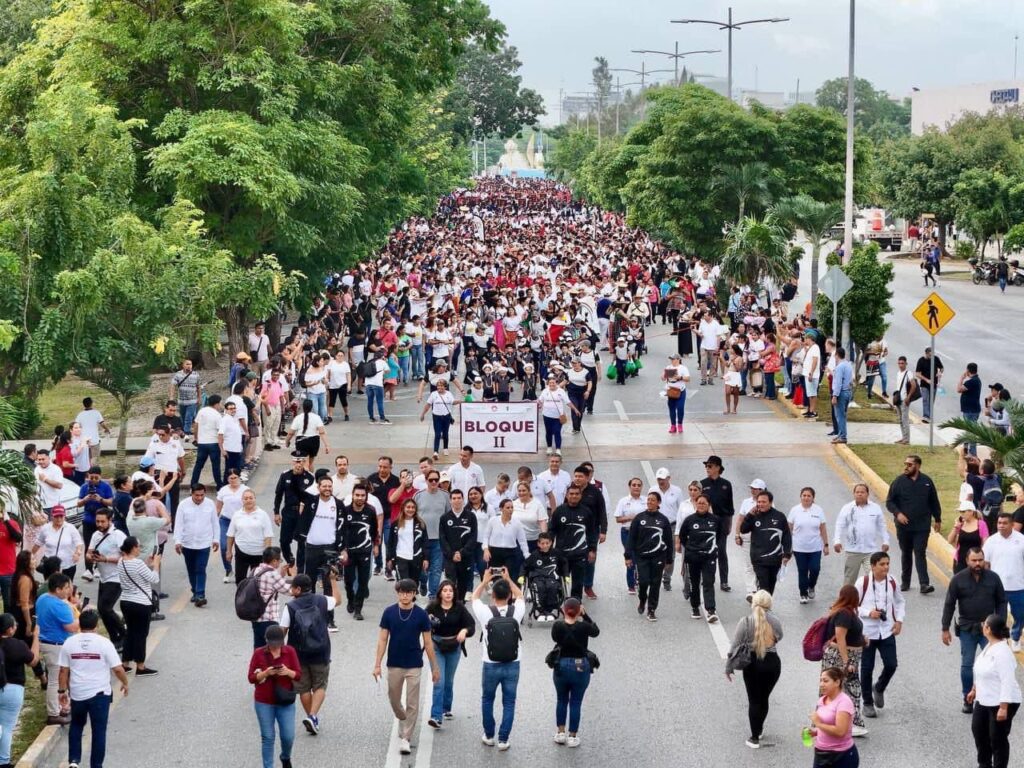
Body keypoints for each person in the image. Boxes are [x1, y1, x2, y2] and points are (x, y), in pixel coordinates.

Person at [372, 579, 440, 755]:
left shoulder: (421, 615)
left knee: (412, 702)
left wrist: (434, 667)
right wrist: (377, 664)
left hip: (414, 664)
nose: (404, 596)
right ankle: (402, 717)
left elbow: (428, 642)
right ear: (397, 593)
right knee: (394, 698)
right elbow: (382, 639)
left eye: (408, 592)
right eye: (401, 592)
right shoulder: (389, 612)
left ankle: (406, 738)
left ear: (414, 594)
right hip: (394, 663)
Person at [58, 609, 129, 768]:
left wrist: (62, 691)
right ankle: (96, 765)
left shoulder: (69, 643)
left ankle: (74, 761)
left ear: (80, 625)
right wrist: (125, 682)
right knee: (98, 731)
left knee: (76, 725)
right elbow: (117, 669)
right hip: (100, 695)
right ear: (96, 625)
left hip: (77, 694)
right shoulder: (104, 643)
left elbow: (63, 670)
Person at [943, 547, 1009, 714]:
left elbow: (1001, 601)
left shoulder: (994, 578)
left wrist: (999, 625)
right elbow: (949, 604)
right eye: (974, 560)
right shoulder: (958, 579)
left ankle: (995, 698)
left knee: (995, 664)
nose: (978, 563)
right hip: (967, 629)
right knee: (967, 665)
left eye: (980, 559)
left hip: (990, 630)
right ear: (967, 561)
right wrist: (945, 628)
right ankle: (967, 698)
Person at [281, 571, 343, 736]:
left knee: (304, 689)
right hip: (321, 651)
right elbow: (339, 600)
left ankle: (312, 718)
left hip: (298, 654)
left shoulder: (290, 607)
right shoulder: (322, 600)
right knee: (320, 685)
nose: (290, 590)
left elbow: (282, 632)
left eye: (292, 587)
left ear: (298, 589)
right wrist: (333, 581)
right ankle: (312, 716)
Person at [471, 568, 526, 751]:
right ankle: (503, 739)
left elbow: (474, 598)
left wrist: (485, 581)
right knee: (509, 701)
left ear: (493, 595)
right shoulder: (516, 610)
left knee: (487, 699)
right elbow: (521, 596)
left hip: (491, 663)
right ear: (509, 594)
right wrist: (508, 578)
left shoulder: (485, 612)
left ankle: (489, 735)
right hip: (513, 662)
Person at [725, 590, 783, 749]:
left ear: (753, 603)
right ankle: (760, 727)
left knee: (754, 699)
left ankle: (754, 736)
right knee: (764, 698)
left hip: (752, 664)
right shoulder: (775, 621)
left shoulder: (745, 621)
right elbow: (780, 636)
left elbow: (734, 646)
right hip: (772, 663)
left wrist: (728, 667)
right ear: (769, 604)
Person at [854, 551, 905, 719]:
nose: (886, 567)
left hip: (887, 630)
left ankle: (880, 687)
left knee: (892, 664)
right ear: (873, 565)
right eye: (882, 564)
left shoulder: (892, 581)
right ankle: (867, 703)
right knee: (867, 668)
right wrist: (869, 612)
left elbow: (899, 601)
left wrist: (899, 621)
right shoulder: (863, 582)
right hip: (867, 632)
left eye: (888, 564)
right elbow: (853, 606)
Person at [967, 614, 1022, 768]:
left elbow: (1007, 681)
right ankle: (984, 764)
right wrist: (974, 689)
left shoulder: (1003, 653)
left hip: (1001, 701)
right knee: (978, 731)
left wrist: (1003, 707)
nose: (982, 625)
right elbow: (981, 669)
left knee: (997, 738)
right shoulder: (990, 645)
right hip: (984, 698)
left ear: (989, 629)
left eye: (985, 623)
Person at [886, 454, 942, 593]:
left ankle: (924, 584)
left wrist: (938, 518)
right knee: (906, 552)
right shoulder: (898, 482)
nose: (906, 467)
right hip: (904, 527)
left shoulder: (927, 481)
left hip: (922, 525)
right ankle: (905, 582)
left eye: (910, 464)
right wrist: (898, 514)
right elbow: (890, 501)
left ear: (917, 466)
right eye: (905, 464)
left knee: (920, 552)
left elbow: (934, 501)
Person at [425, 579, 475, 728]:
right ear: (440, 593)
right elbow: (420, 622)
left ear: (454, 593)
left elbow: (471, 625)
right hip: (436, 645)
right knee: (438, 680)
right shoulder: (432, 607)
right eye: (445, 591)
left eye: (450, 591)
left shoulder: (459, 608)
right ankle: (436, 716)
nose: (448, 594)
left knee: (449, 680)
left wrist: (464, 631)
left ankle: (446, 707)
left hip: (454, 646)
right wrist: (427, 622)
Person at [248, 624, 300, 768]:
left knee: (288, 736)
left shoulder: (290, 651)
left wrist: (287, 672)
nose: (275, 647)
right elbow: (251, 678)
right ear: (266, 640)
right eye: (272, 644)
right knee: (268, 737)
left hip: (285, 701)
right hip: (264, 701)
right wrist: (265, 673)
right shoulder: (259, 653)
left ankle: (285, 756)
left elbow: (298, 675)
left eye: (278, 644)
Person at [550, 597, 599, 748]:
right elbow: (596, 631)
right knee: (576, 702)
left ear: (564, 610)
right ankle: (572, 735)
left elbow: (554, 638)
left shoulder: (557, 626)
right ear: (579, 611)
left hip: (562, 664)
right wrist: (585, 615)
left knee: (561, 699)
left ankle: (560, 732)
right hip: (580, 665)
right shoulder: (584, 627)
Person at [823, 584, 869, 736]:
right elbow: (841, 637)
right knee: (848, 689)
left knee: (841, 689)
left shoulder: (847, 612)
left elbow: (849, 635)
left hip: (847, 657)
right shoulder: (844, 613)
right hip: (841, 657)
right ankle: (851, 723)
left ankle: (831, 722)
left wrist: (862, 640)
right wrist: (846, 662)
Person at [626, 491, 674, 622]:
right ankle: (642, 600)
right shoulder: (639, 518)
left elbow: (669, 541)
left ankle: (651, 609)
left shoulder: (663, 520)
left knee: (655, 583)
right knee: (643, 582)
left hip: (658, 556)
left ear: (658, 503)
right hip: (642, 556)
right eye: (648, 500)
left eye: (653, 500)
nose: (649, 502)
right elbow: (631, 538)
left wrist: (669, 559)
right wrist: (628, 556)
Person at [117, 536, 160, 676]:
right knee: (141, 634)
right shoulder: (137, 563)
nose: (140, 549)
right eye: (138, 546)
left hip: (126, 602)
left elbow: (137, 575)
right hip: (141, 603)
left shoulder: (121, 562)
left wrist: (148, 564)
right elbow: (154, 578)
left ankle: (125, 663)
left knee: (130, 632)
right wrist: (157, 565)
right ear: (134, 547)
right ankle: (140, 666)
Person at [981, 513, 1024, 652]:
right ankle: (1001, 641)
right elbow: (985, 563)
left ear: (1012, 524)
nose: (1001, 525)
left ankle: (1016, 636)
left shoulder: (1021, 540)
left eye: (1005, 523)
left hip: (1018, 586)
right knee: (999, 618)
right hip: (997, 588)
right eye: (999, 523)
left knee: (1020, 615)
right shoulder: (991, 541)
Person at [548, 485, 598, 601]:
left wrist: (592, 550)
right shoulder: (559, 511)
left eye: (576, 494)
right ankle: (560, 604)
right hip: (562, 554)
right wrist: (548, 548)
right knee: (560, 581)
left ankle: (575, 606)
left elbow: (591, 532)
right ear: (567, 495)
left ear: (580, 496)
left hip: (580, 554)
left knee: (577, 583)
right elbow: (552, 530)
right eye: (571, 494)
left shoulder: (586, 512)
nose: (574, 496)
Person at [86, 510, 126, 651]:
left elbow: (126, 557)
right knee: (102, 611)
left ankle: (124, 635)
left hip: (116, 577)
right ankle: (115, 639)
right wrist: (90, 557)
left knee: (105, 608)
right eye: (97, 521)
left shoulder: (118, 536)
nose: (100, 524)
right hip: (103, 577)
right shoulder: (95, 535)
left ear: (110, 520)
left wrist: (106, 559)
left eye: (103, 521)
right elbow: (88, 553)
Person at [834, 484, 890, 585]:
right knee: (849, 580)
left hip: (870, 551)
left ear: (867, 494)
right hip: (852, 551)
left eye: (862, 492)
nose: (860, 494)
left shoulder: (875, 508)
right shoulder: (847, 508)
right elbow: (839, 525)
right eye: (857, 492)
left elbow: (882, 526)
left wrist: (886, 541)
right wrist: (837, 541)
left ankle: (874, 599)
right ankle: (847, 600)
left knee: (875, 576)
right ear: (854, 494)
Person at [174, 484, 219, 607]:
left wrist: (216, 539)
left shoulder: (210, 504)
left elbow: (215, 522)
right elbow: (178, 524)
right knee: (191, 569)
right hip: (187, 543)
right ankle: (195, 590)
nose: (199, 498)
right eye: (197, 495)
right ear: (191, 493)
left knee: (200, 568)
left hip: (204, 543)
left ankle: (200, 594)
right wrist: (177, 541)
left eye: (202, 495)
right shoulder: (183, 505)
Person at [740, 491, 793, 597]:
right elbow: (743, 529)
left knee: (770, 585)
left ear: (770, 502)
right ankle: (762, 610)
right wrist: (749, 515)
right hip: (758, 559)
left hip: (775, 558)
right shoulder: (754, 516)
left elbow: (786, 536)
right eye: (758, 502)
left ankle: (764, 607)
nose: (760, 504)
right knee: (763, 586)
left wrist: (787, 553)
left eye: (763, 502)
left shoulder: (779, 516)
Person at [678, 493, 718, 622]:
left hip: (709, 557)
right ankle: (695, 607)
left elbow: (720, 536)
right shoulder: (690, 520)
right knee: (694, 584)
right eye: (699, 503)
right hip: (693, 557)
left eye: (704, 503)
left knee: (708, 582)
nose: (701, 505)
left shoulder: (715, 520)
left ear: (709, 505)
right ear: (696, 504)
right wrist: (690, 548)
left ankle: (710, 610)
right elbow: (683, 537)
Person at [809, 667, 859, 768]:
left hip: (841, 756)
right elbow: (827, 725)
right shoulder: (822, 700)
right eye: (821, 680)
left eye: (826, 681)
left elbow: (840, 731)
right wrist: (815, 732)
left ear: (837, 682)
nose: (821, 684)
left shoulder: (844, 702)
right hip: (821, 754)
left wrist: (818, 724)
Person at [273, 453, 315, 572]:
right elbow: (279, 495)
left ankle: (301, 569)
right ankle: (289, 558)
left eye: (301, 461)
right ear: (293, 462)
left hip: (302, 514)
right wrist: (276, 512)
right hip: (288, 512)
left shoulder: (310, 477)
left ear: (304, 462)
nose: (298, 464)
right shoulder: (285, 475)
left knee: (302, 542)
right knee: (284, 541)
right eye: (296, 462)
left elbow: (312, 497)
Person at [788, 487, 829, 603]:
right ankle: (803, 594)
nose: (806, 498)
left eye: (809, 496)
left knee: (815, 569)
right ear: (800, 497)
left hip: (815, 547)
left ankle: (811, 586)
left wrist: (826, 544)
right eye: (804, 495)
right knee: (802, 570)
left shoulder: (818, 510)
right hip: (799, 547)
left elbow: (823, 528)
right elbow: (789, 529)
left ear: (813, 498)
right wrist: (787, 546)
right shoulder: (795, 510)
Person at [700, 455, 735, 591]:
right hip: (708, 520)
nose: (707, 469)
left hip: (722, 520)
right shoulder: (703, 484)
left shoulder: (726, 484)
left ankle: (724, 581)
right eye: (706, 466)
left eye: (710, 466)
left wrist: (729, 524)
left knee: (721, 551)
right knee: (706, 550)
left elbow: (730, 506)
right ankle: (707, 578)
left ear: (717, 468)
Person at [226, 490, 275, 586]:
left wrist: (267, 556)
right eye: (246, 498)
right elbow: (230, 534)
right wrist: (229, 551)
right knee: (240, 580)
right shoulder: (237, 515)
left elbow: (268, 536)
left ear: (255, 499)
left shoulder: (263, 515)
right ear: (242, 500)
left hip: (258, 554)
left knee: (257, 582)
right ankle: (241, 600)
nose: (248, 500)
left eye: (251, 498)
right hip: (241, 551)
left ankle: (254, 600)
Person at [76, 466, 113, 582]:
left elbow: (111, 502)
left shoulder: (105, 487)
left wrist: (101, 500)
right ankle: (88, 570)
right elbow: (78, 503)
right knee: (88, 545)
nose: (93, 480)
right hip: (88, 519)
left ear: (100, 476)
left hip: (102, 520)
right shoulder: (84, 487)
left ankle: (98, 567)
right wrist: (86, 499)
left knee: (102, 545)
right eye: (91, 478)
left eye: (96, 478)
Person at [440, 490, 478, 600]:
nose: (457, 501)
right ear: (450, 501)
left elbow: (473, 537)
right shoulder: (444, 518)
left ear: (463, 499)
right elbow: (442, 539)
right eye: (454, 498)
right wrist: (452, 554)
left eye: (459, 498)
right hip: (450, 558)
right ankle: (450, 606)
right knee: (450, 584)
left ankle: (460, 606)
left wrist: (462, 553)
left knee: (463, 585)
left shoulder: (471, 516)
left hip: (465, 558)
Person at [216, 469, 250, 582]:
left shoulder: (245, 490)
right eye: (231, 478)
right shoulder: (223, 491)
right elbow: (218, 508)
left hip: (241, 521)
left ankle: (242, 571)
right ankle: (228, 569)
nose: (233, 480)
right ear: (227, 479)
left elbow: (250, 505)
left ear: (239, 478)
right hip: (226, 521)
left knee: (240, 547)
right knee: (224, 546)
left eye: (235, 477)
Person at [614, 478, 646, 594]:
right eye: (634, 485)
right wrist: (631, 518)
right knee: (630, 557)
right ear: (630, 487)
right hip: (627, 532)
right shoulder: (623, 501)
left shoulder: (646, 500)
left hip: (642, 533)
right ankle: (631, 585)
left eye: (638, 485)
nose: (636, 487)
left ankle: (641, 579)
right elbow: (618, 518)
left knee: (641, 557)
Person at [284, 399, 330, 473]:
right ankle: (311, 479)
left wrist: (287, 441)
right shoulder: (317, 417)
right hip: (314, 441)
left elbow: (290, 433)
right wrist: (327, 445)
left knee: (304, 463)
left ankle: (305, 481)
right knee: (310, 463)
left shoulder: (298, 418)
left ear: (303, 407)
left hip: (301, 442)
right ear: (311, 407)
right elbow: (322, 432)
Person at [388, 499, 429, 581]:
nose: (411, 509)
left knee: (413, 585)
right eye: (408, 507)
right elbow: (390, 542)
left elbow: (425, 542)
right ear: (403, 508)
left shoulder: (420, 524)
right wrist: (389, 558)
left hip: (416, 558)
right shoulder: (395, 523)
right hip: (400, 557)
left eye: (413, 507)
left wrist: (426, 558)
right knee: (403, 585)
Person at [537, 375, 576, 456]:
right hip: (547, 415)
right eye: (550, 383)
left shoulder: (561, 391)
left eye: (553, 383)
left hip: (558, 416)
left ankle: (558, 449)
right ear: (548, 384)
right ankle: (549, 447)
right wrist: (536, 404)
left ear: (556, 383)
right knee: (548, 432)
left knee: (557, 431)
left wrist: (575, 409)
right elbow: (540, 400)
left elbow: (567, 402)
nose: (552, 384)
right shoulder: (545, 391)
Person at [191, 393, 224, 487]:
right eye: (220, 403)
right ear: (216, 404)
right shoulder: (217, 415)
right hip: (213, 443)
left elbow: (195, 425)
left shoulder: (201, 411)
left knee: (198, 465)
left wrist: (196, 438)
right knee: (216, 466)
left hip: (202, 443)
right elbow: (220, 431)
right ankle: (219, 485)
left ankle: (193, 484)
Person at [949, 500, 990, 573]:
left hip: (976, 563)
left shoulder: (981, 524)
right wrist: (956, 527)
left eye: (963, 512)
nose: (961, 514)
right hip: (960, 562)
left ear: (971, 512)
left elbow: (986, 544)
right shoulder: (960, 524)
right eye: (960, 512)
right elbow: (950, 540)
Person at [420, 378, 456, 459]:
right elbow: (428, 405)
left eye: (441, 386)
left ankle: (445, 448)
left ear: (445, 387)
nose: (439, 388)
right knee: (437, 434)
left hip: (446, 416)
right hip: (437, 417)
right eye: (438, 386)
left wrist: (460, 401)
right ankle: (435, 451)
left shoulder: (449, 394)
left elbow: (453, 402)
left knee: (445, 433)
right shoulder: (433, 394)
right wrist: (423, 414)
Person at [957, 363, 983, 456]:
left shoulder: (972, 381)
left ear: (968, 371)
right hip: (971, 410)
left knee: (971, 431)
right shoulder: (976, 380)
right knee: (968, 430)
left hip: (970, 411)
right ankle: (966, 446)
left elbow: (959, 389)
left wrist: (961, 378)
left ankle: (973, 453)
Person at [830, 347, 854, 444]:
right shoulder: (848, 365)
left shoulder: (839, 367)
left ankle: (843, 436)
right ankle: (840, 434)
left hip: (841, 393)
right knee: (841, 415)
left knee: (840, 416)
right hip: (847, 392)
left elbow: (838, 382)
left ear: (837, 355)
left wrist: (835, 395)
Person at [891, 356, 916, 445]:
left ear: (906, 364)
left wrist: (908, 397)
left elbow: (914, 385)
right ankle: (903, 437)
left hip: (904, 400)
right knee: (900, 420)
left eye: (902, 363)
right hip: (898, 399)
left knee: (905, 419)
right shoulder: (898, 373)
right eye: (899, 363)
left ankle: (907, 439)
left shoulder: (908, 373)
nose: (900, 365)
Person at [662, 352, 690, 433]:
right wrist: (664, 376)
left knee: (680, 408)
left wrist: (680, 377)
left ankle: (680, 425)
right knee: (672, 408)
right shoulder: (668, 367)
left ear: (678, 360)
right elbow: (662, 378)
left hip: (680, 390)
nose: (672, 361)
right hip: (671, 390)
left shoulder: (683, 368)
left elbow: (688, 379)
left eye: (673, 359)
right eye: (671, 359)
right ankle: (673, 425)